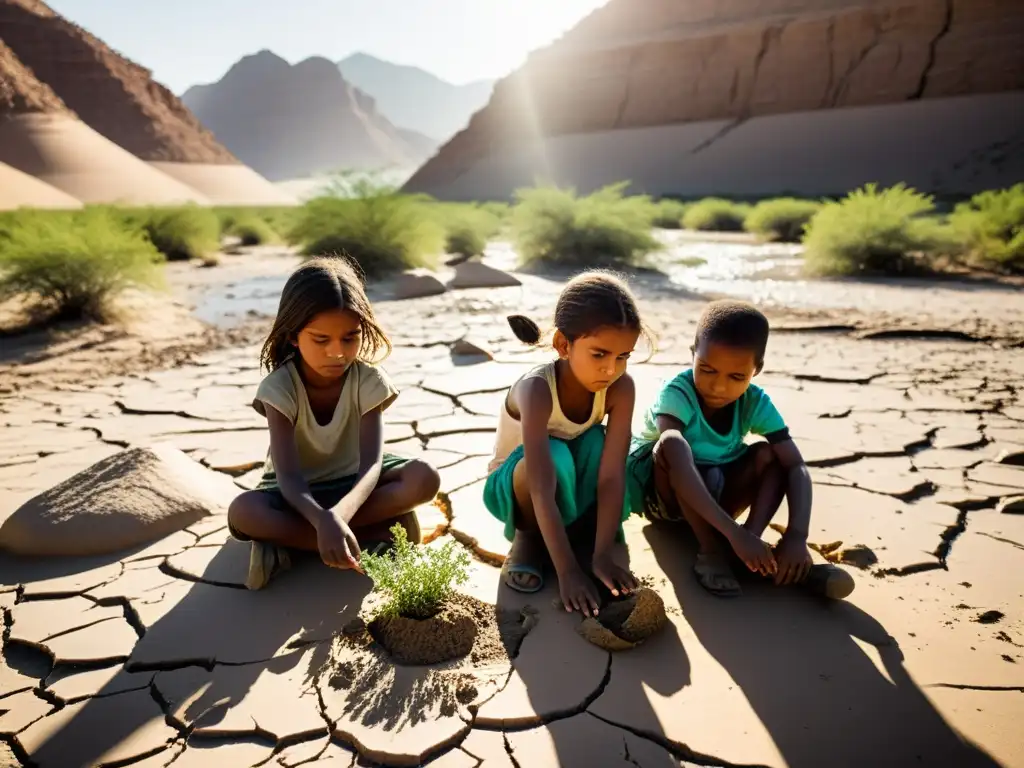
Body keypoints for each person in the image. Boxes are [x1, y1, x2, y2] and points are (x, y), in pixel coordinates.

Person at [228, 257, 441, 590]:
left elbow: (371, 465)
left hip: (355, 484)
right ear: (294, 336)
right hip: (296, 494)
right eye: (321, 340)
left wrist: (337, 516)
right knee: (244, 512)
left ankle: (303, 545)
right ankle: (367, 536)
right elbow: (289, 477)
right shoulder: (279, 388)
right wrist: (322, 518)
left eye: (350, 337)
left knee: (424, 478)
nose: (338, 353)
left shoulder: (369, 381)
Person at [627, 300, 854, 599]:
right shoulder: (677, 392)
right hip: (663, 499)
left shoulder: (755, 402)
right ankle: (713, 551)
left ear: (756, 370)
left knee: (769, 454)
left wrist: (797, 536)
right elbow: (669, 449)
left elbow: (796, 466)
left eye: (736, 377)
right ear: (693, 354)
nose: (718, 387)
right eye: (707, 369)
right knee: (672, 443)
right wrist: (731, 533)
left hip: (716, 493)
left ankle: (751, 542)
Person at [484, 271, 652, 617]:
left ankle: (585, 535)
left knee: (596, 440)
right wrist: (569, 572)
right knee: (554, 453)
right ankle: (529, 539)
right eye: (600, 354)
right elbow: (541, 485)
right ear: (563, 345)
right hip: (519, 489)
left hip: (572, 482)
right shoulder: (537, 390)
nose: (611, 369)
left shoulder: (621, 389)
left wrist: (603, 553)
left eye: (623, 356)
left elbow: (610, 475)